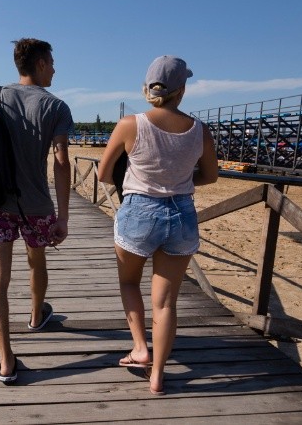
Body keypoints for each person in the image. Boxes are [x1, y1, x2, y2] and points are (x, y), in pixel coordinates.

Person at [98, 55, 218, 395]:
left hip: (139, 212)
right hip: (182, 215)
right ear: (181, 90)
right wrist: (179, 179)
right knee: (165, 303)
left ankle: (140, 348)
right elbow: (210, 175)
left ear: (147, 88)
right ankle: (158, 377)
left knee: (129, 282)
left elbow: (104, 173)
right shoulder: (200, 130)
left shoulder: (130, 124)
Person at [0, 38, 73, 385]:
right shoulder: (56, 107)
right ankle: (35, 316)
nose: (55, 69)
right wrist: (63, 217)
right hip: (36, 204)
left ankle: (6, 360)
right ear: (41, 64)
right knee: (37, 260)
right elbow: (61, 162)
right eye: (52, 63)